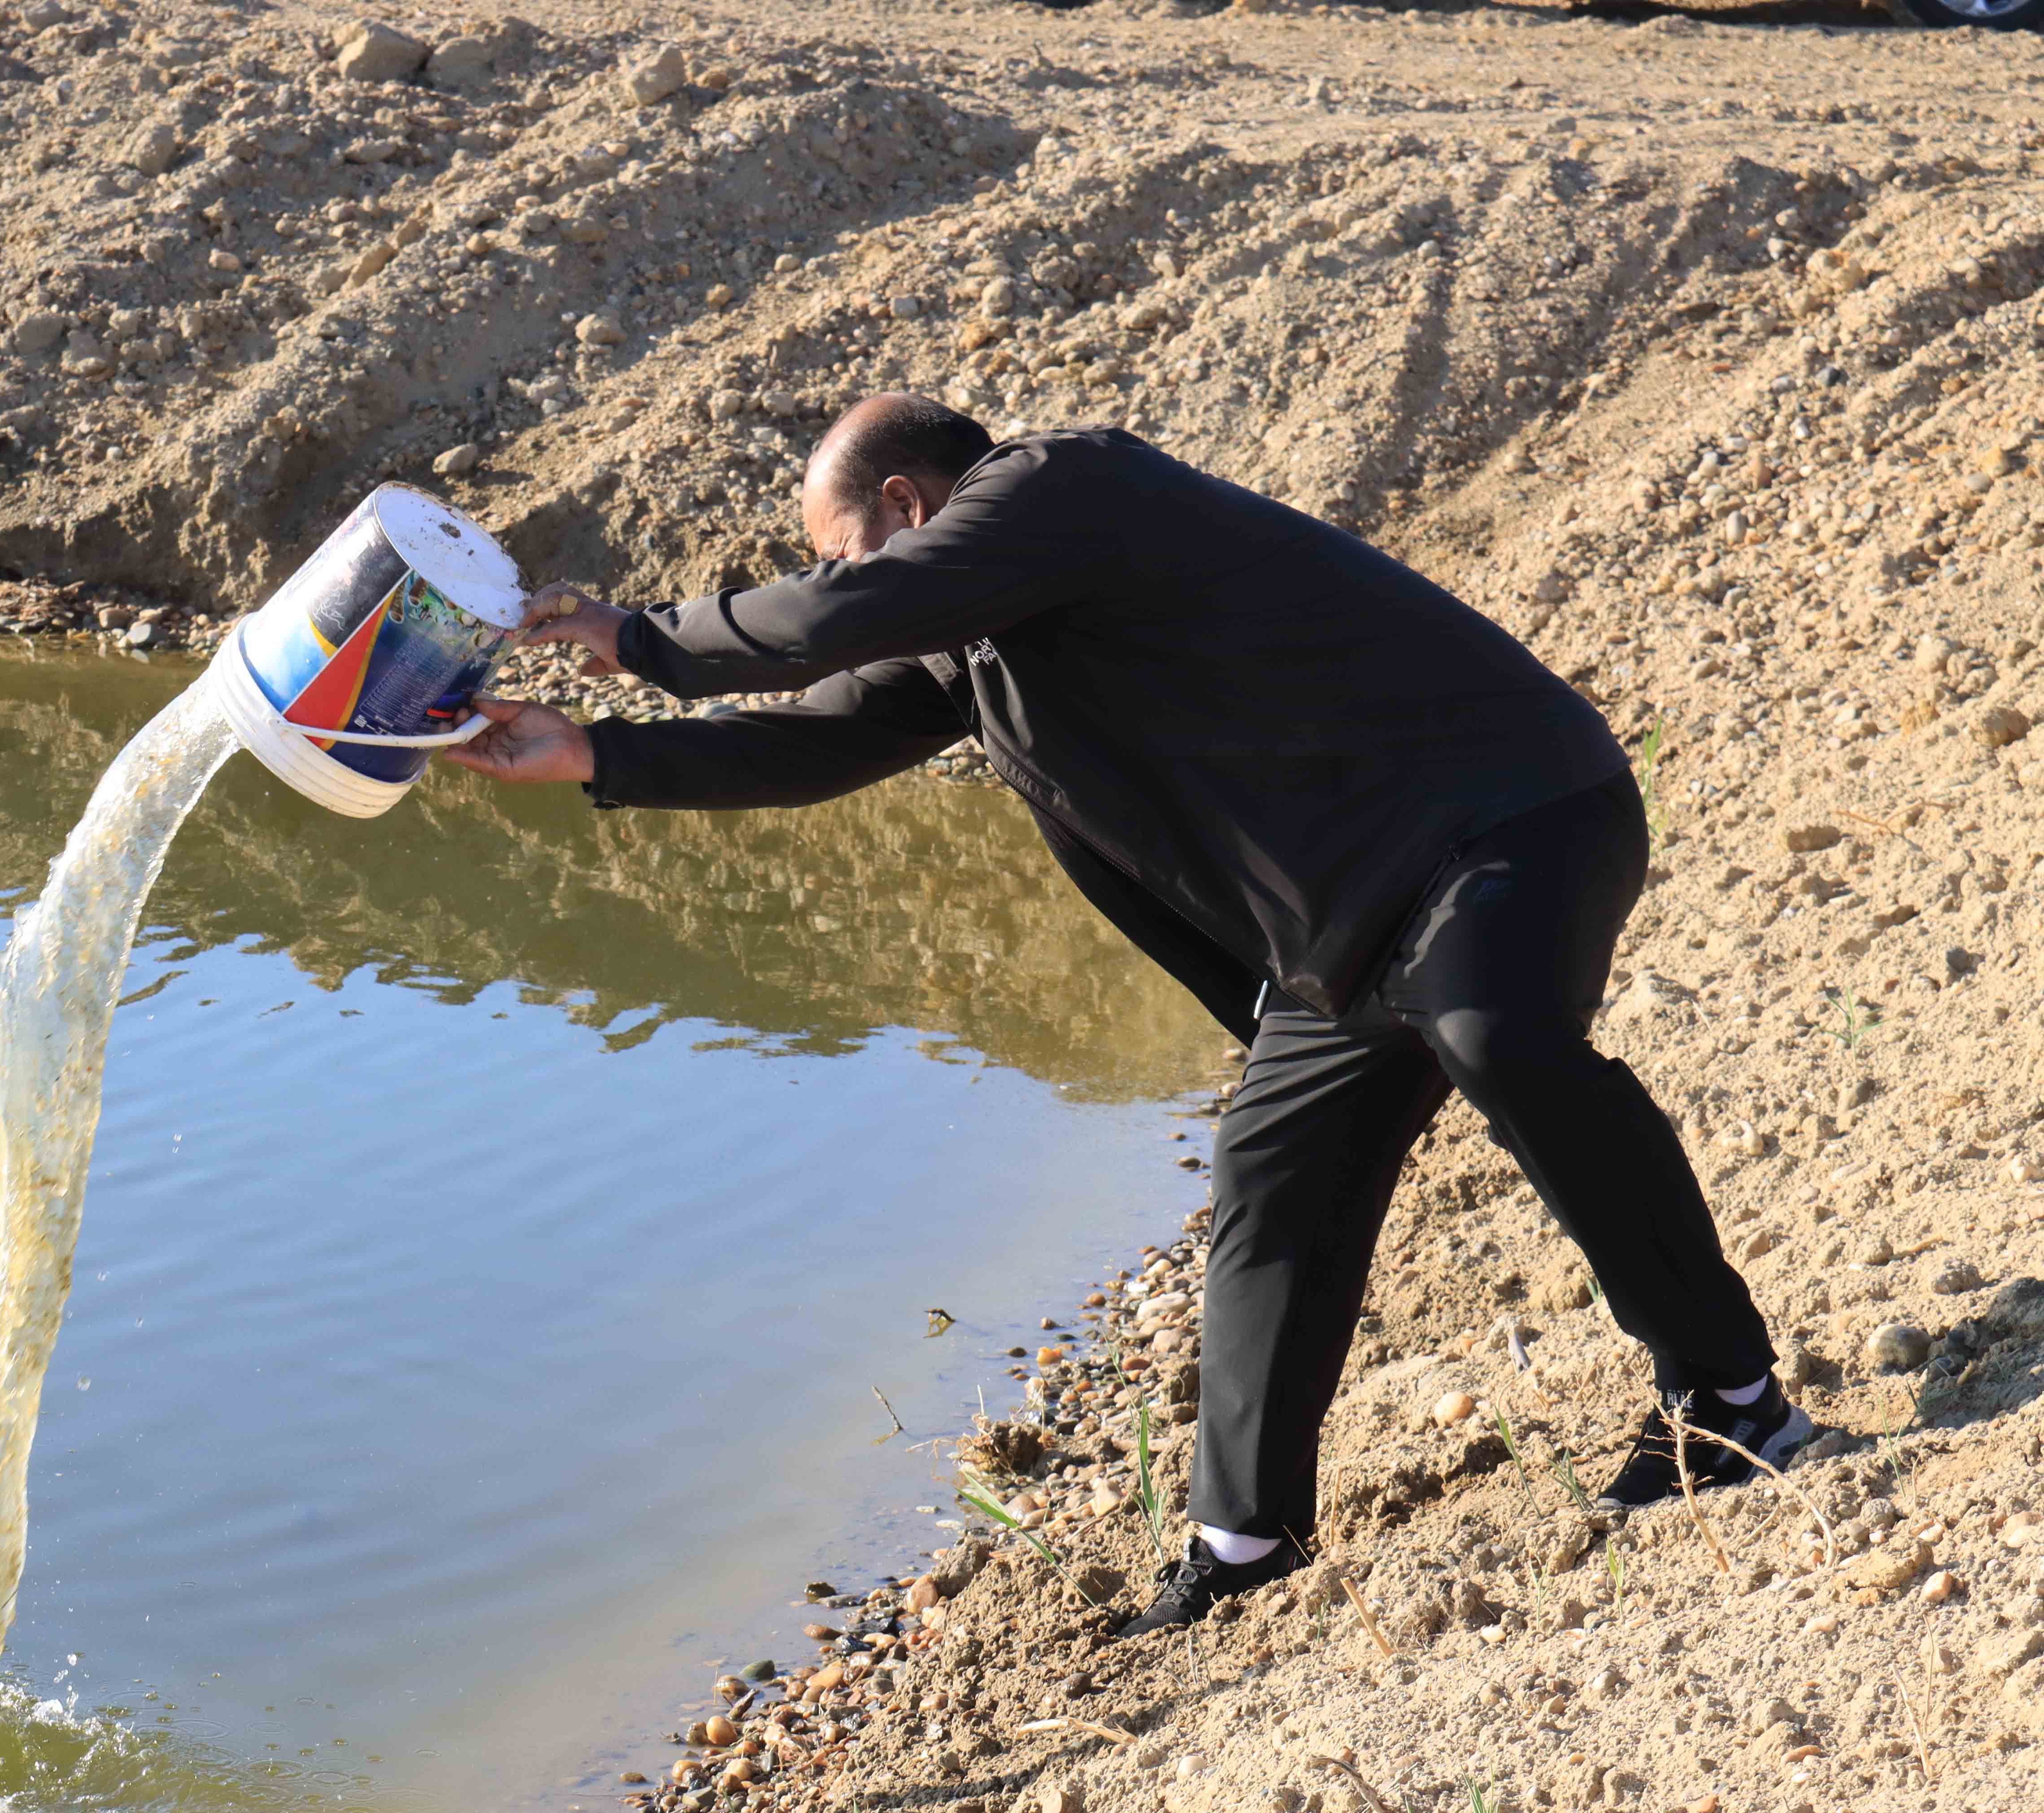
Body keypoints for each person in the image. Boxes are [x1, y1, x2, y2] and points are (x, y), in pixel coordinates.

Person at [444, 395, 1810, 1637]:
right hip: (1356, 915)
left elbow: (837, 621)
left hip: (1511, 817)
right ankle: (1245, 1541)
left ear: (916, 505)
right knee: (1275, 1173)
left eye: (849, 550)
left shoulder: (1063, 488)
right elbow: (823, 732)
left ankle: (1731, 1399)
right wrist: (594, 753)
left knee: (1498, 1037)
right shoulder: (977, 634)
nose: (847, 582)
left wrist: (641, 641)